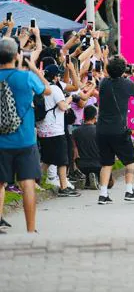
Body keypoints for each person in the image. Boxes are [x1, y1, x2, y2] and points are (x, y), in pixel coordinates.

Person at [0, 38, 50, 233]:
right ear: (16, 55)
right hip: (25, 139)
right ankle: (31, 229)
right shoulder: (26, 77)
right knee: (27, 183)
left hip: (1, 141)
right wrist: (31, 67)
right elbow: (46, 90)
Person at [96, 56, 134, 205]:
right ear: (123, 70)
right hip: (119, 130)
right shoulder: (126, 83)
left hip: (102, 131)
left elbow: (109, 75)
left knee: (106, 163)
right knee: (130, 162)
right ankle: (129, 190)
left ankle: (103, 194)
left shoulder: (103, 83)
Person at [37, 64, 79, 197]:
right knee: (62, 159)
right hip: (55, 129)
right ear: (55, 77)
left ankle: (33, 180)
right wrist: (70, 99)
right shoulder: (55, 89)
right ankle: (63, 187)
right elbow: (62, 107)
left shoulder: (40, 87)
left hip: (42, 129)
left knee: (47, 158)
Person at [71, 105, 102, 190]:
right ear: (95, 116)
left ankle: (88, 180)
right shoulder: (100, 130)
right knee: (110, 183)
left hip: (82, 165)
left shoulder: (75, 132)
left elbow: (74, 149)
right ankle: (96, 178)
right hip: (98, 163)